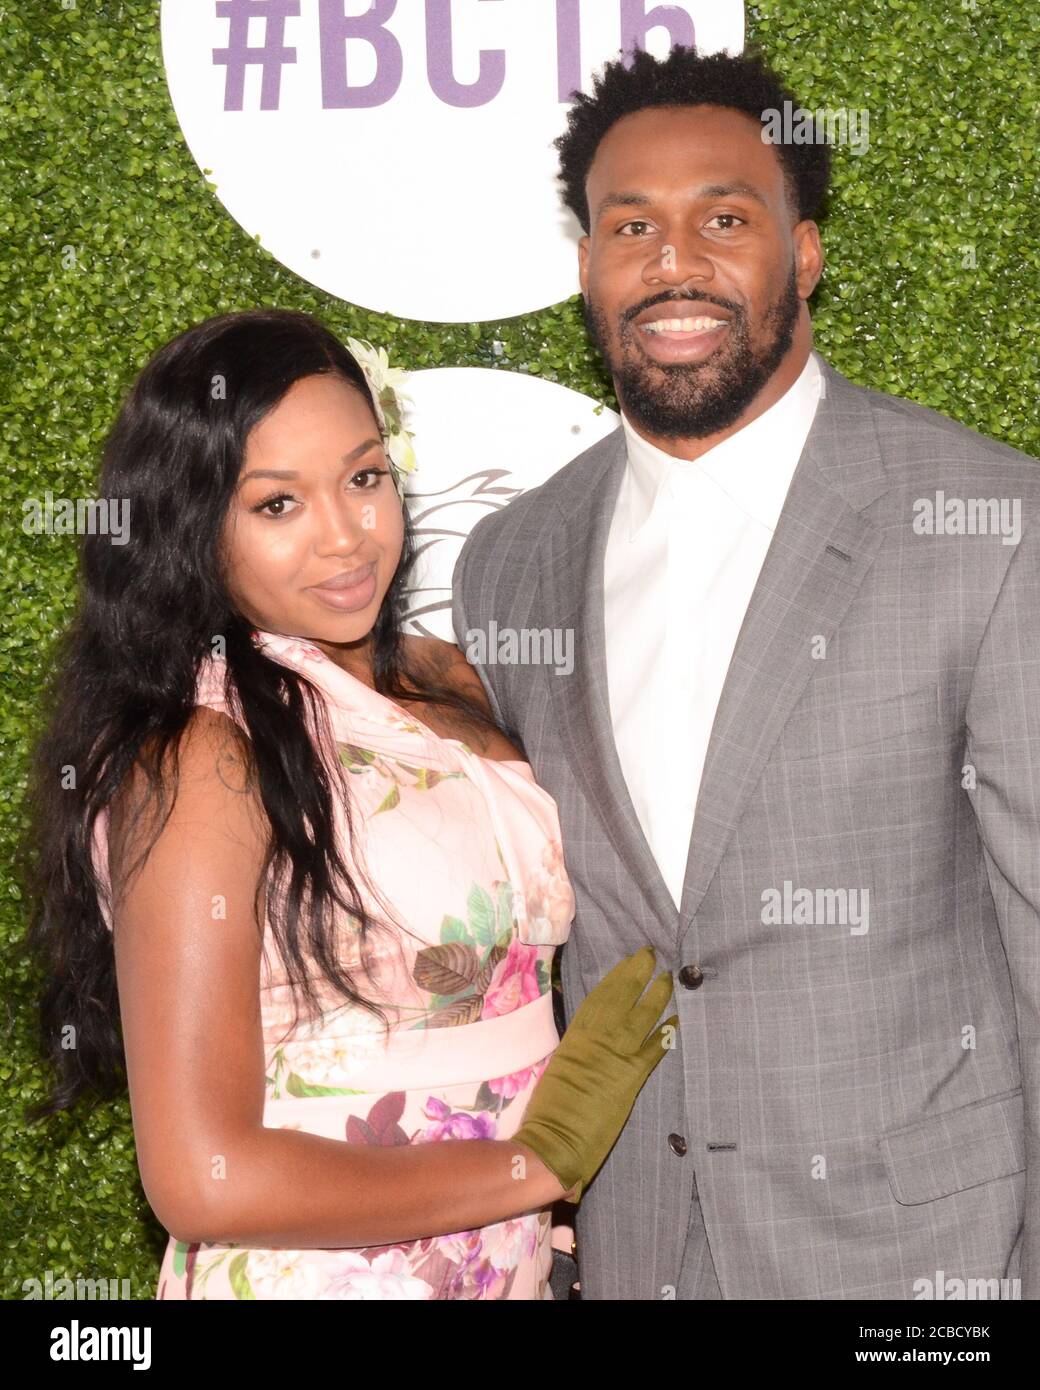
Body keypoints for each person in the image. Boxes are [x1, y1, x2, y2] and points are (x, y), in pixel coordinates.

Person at [452, 44, 1040, 1299]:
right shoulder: (509, 561)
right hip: (625, 1248)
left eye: (723, 219)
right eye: (631, 227)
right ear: (585, 268)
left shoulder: (985, 519)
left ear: (805, 251)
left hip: (923, 1263)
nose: (673, 264)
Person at [22, 308, 676, 1300]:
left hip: (504, 1264)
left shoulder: (445, 677)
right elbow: (203, 1176)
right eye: (277, 504)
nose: (343, 535)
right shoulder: (204, 750)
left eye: (363, 477)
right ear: (195, 525)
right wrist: (537, 1165)